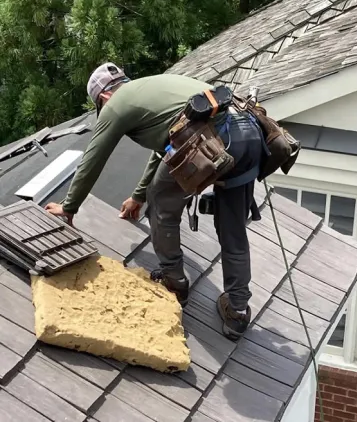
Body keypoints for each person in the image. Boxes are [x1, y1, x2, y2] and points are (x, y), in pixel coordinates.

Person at [45, 62, 262, 339]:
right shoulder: (152, 87)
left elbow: (94, 157)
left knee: (160, 204)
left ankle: (174, 281)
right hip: (248, 132)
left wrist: (68, 207)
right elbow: (167, 147)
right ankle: (237, 311)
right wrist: (137, 195)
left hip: (211, 139)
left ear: (104, 97)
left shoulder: (116, 104)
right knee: (233, 230)